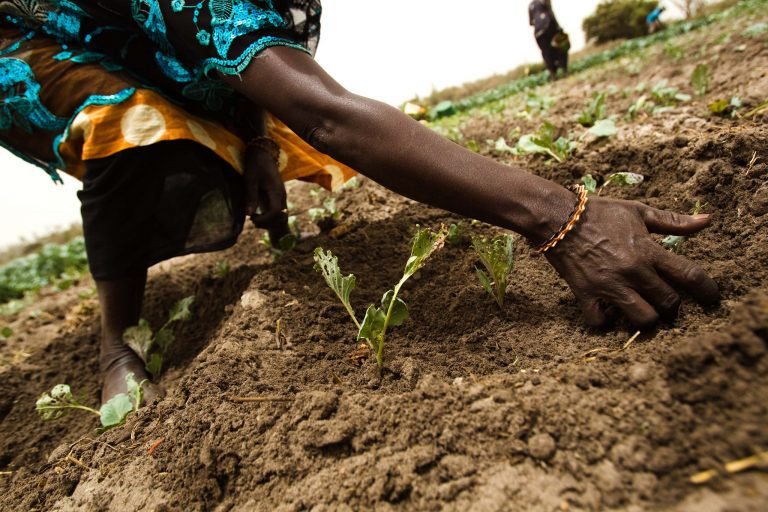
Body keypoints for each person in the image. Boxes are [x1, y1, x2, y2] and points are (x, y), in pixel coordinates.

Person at [0, 1, 719, 404]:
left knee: (222, 133)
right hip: (22, 38)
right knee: (132, 125)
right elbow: (326, 116)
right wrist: (563, 217)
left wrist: (258, 144)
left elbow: (222, 57)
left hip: (123, 35)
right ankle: (115, 344)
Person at [528, 0, 569, 78]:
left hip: (538, 33)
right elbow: (550, 13)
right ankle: (564, 69)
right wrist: (558, 27)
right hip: (548, 25)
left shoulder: (531, 5)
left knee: (546, 52)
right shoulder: (545, 1)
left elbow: (531, 23)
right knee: (561, 45)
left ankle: (552, 73)